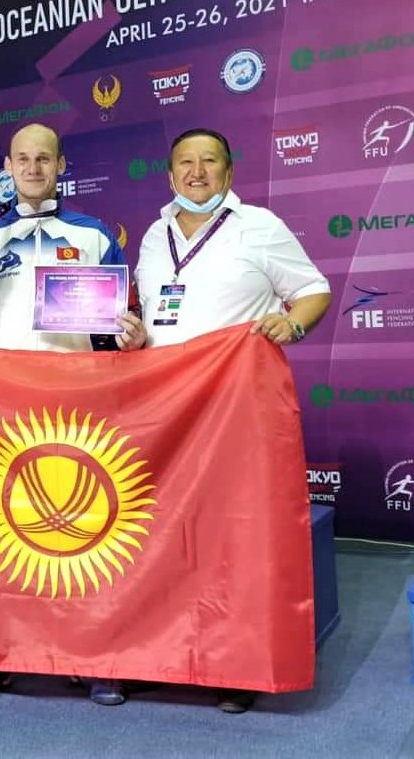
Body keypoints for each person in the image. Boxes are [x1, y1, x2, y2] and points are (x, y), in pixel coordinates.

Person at [0, 122, 146, 709]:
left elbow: (121, 323)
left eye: (44, 159)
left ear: (61, 165)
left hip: (77, 407)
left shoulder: (94, 235)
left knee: (86, 533)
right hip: (0, 408)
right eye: (23, 159)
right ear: (8, 166)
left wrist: (128, 334)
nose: (33, 168)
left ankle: (95, 659)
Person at [135, 126, 331, 713]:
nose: (197, 173)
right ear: (170, 175)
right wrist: (137, 337)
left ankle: (235, 664)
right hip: (166, 411)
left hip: (235, 407)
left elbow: (313, 290)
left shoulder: (259, 226)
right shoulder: (154, 235)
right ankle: (167, 652)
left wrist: (292, 323)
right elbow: (157, 316)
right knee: (167, 532)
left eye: (209, 162)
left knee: (234, 535)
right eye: (186, 163)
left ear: (229, 172)